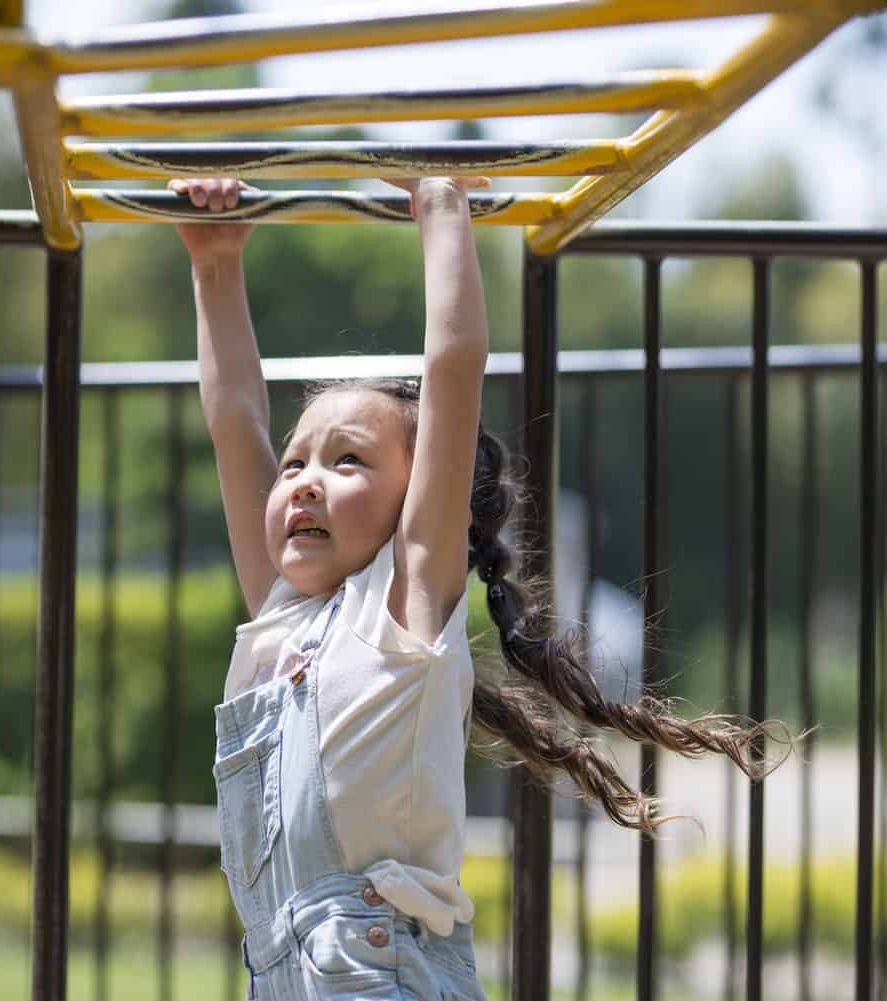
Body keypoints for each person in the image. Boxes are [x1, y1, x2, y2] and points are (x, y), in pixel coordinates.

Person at [171, 175, 779, 1001]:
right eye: (296, 463)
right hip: (280, 972)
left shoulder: (405, 596)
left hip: (381, 973)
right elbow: (236, 415)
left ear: (416, 498)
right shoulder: (283, 616)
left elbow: (452, 367)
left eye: (347, 460)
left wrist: (442, 209)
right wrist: (215, 264)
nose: (306, 481)